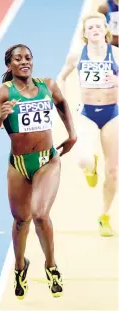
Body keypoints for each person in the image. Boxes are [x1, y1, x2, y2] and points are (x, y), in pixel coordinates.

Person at [0, 44, 77, 299]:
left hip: (48, 160)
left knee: (39, 214)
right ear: (9, 65)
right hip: (18, 164)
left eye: (28, 57)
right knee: (21, 220)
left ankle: (51, 265)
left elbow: (62, 103)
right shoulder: (2, 93)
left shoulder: (47, 85)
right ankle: (20, 266)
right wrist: (0, 117)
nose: (24, 61)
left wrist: (72, 134)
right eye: (18, 58)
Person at [57, 12, 119, 237]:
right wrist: (62, 101)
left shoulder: (116, 54)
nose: (94, 30)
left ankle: (104, 215)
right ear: (84, 33)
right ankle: (90, 168)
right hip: (87, 113)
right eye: (89, 27)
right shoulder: (76, 56)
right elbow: (61, 77)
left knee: (113, 172)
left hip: (113, 114)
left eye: (98, 26)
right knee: (83, 159)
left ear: (105, 30)